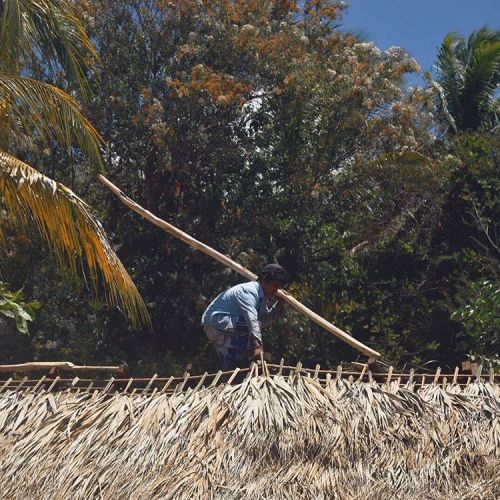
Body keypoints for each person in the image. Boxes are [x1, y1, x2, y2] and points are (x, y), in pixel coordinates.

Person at [202, 263, 288, 370]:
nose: (275, 291)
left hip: (229, 325)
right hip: (217, 321)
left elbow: (263, 320)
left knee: (254, 327)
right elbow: (252, 320)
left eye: (278, 288)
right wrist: (258, 346)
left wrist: (278, 306)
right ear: (265, 280)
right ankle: (232, 366)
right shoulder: (249, 292)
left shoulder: (262, 299)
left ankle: (230, 364)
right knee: (249, 326)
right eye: (274, 286)